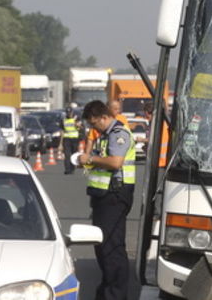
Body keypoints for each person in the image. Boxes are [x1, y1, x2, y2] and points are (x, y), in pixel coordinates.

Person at [76, 100, 136, 300]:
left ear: (103, 117)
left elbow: (116, 162)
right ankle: (107, 290)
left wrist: (90, 159)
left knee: (112, 248)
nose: (93, 128)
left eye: (94, 123)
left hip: (115, 196)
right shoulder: (105, 135)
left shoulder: (119, 133)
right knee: (102, 247)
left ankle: (116, 294)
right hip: (103, 197)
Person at [61, 107, 82, 175]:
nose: (69, 114)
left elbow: (80, 127)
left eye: (70, 113)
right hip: (66, 138)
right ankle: (67, 169)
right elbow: (62, 131)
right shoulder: (63, 120)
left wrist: (77, 125)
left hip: (75, 139)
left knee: (73, 154)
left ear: (72, 112)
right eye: (68, 113)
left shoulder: (76, 118)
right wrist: (60, 144)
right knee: (67, 155)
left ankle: (72, 168)